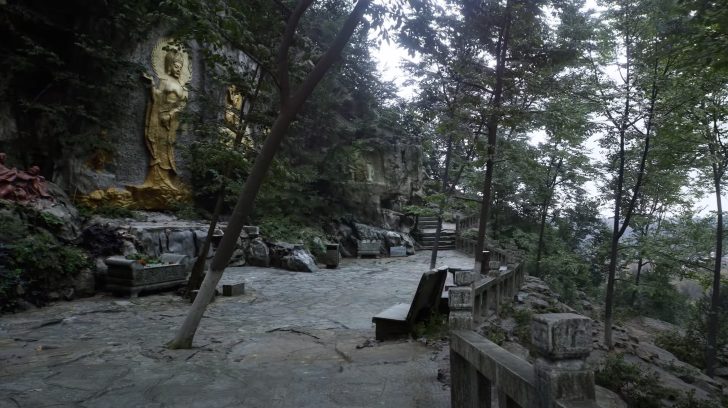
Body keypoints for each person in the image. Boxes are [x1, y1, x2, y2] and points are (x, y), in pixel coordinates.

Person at [140, 48, 188, 190]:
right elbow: (157, 96)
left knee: (167, 148)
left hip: (171, 121)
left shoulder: (183, 88)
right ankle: (154, 179)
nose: (178, 69)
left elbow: (182, 106)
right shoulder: (164, 81)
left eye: (180, 67)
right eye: (176, 66)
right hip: (159, 116)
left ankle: (166, 179)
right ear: (169, 66)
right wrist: (151, 84)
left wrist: (171, 114)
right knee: (157, 145)